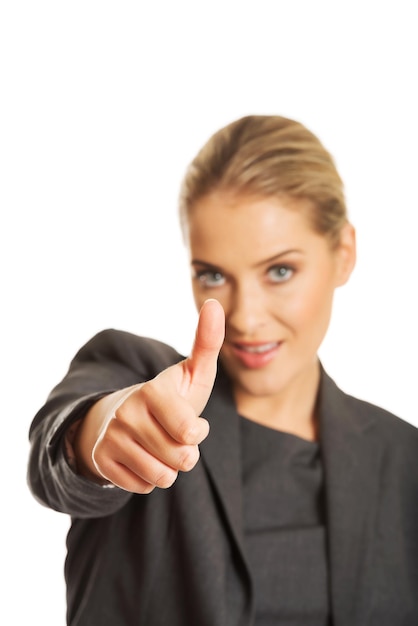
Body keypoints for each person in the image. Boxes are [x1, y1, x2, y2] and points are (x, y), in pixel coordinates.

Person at [28, 115, 418, 626]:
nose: (245, 318)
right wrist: (105, 434)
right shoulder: (143, 384)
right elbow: (61, 454)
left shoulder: (404, 460)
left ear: (343, 254)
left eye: (280, 271)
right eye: (213, 275)